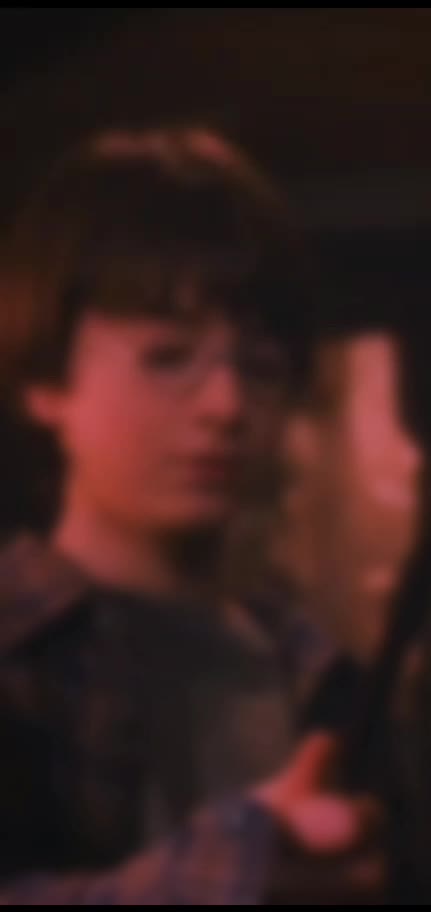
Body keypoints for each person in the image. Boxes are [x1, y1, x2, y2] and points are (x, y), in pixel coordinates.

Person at [0, 127, 382, 904]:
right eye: (168, 357)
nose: (227, 406)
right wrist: (219, 881)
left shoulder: (322, 681)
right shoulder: (20, 658)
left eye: (261, 367)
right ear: (46, 382)